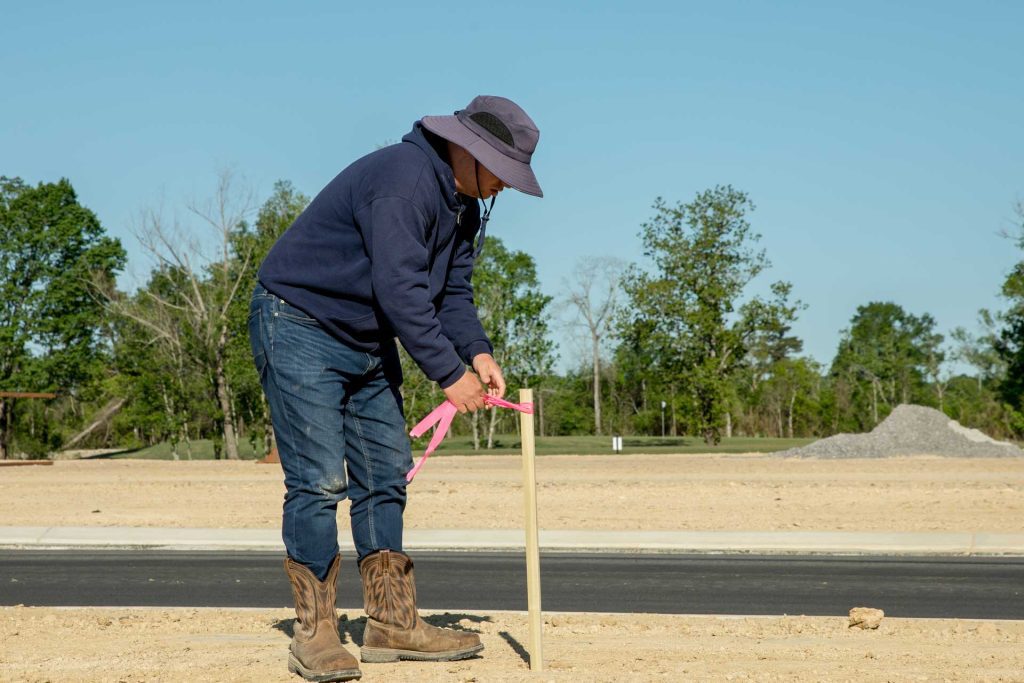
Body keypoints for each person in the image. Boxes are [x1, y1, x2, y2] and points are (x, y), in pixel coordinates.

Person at [248, 95, 543, 682]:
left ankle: (390, 623)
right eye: (502, 174)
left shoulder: (461, 205)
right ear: (469, 151)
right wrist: (448, 373)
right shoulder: (402, 180)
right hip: (299, 321)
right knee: (319, 479)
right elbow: (400, 287)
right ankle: (317, 633)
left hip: (366, 336)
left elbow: (451, 290)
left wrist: (476, 352)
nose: (504, 188)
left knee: (386, 472)